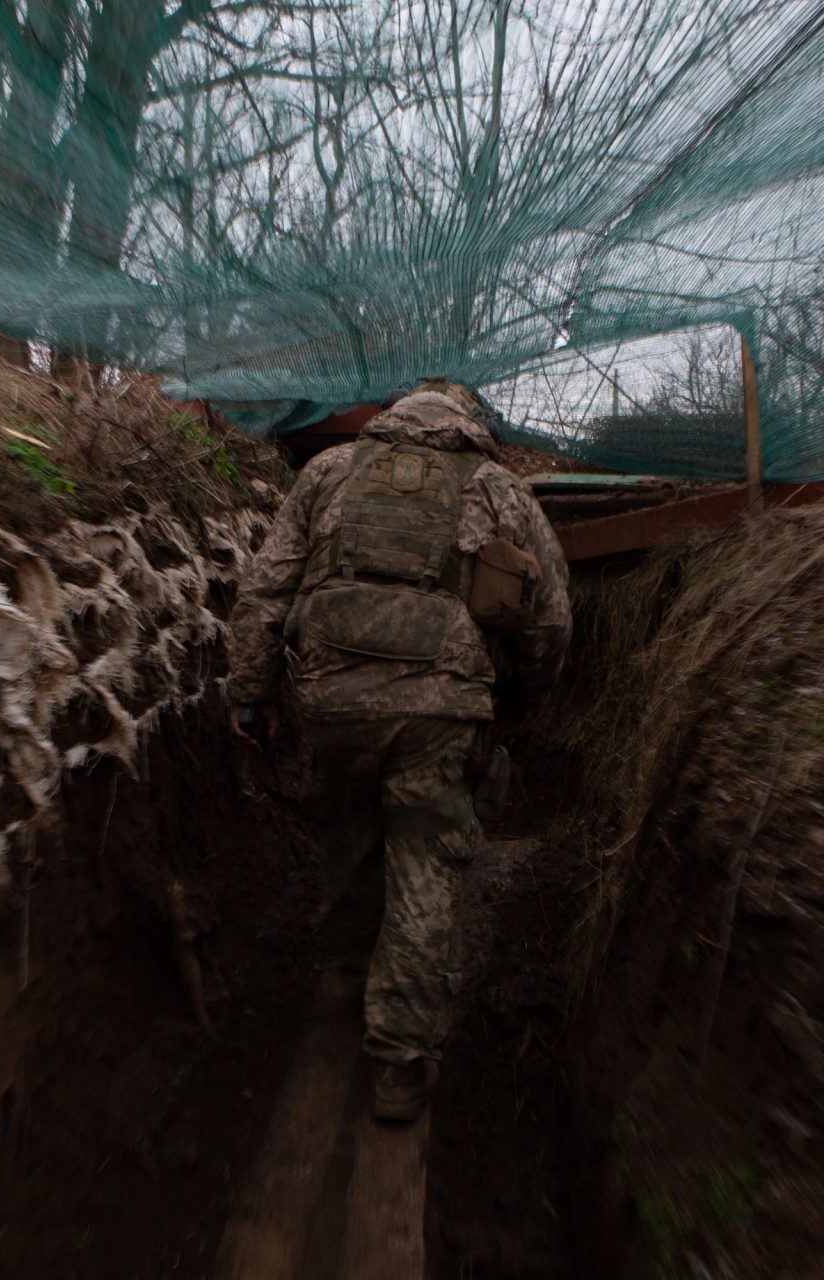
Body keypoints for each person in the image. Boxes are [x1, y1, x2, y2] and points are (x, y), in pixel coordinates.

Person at [227, 378, 571, 1122]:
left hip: (329, 700)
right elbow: (550, 621)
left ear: (394, 416)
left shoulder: (327, 473)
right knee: (425, 871)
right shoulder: (498, 489)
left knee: (349, 836)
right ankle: (400, 1062)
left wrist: (249, 692)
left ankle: (351, 978)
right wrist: (519, 700)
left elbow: (265, 590)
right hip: (439, 711)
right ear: (466, 421)